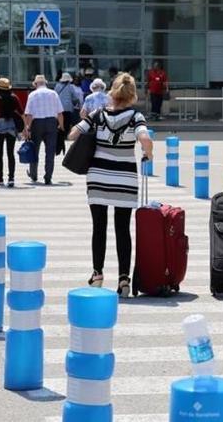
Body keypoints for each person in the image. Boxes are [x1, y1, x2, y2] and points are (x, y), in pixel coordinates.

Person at [68, 73, 153, 297]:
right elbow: (145, 138)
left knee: (99, 227)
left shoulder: (98, 114)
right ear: (131, 93)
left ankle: (97, 274)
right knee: (123, 229)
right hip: (125, 179)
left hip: (98, 178)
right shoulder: (136, 116)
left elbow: (73, 134)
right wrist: (148, 153)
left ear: (113, 92)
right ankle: (124, 280)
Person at [23, 75, 64, 185]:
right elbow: (60, 113)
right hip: (51, 123)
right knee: (50, 152)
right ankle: (48, 177)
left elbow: (29, 114)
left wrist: (27, 127)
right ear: (45, 83)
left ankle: (33, 175)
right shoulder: (53, 93)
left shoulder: (32, 95)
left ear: (36, 84)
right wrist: (61, 126)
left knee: (34, 150)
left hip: (37, 124)